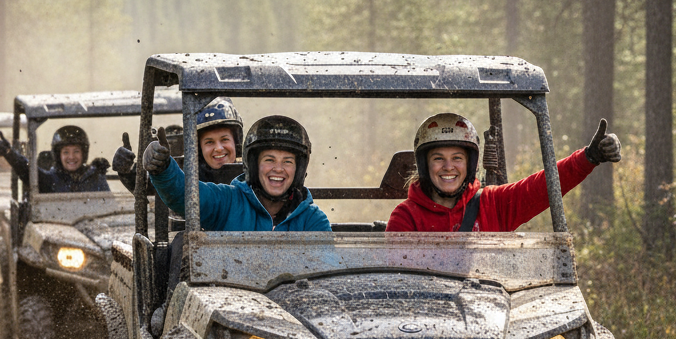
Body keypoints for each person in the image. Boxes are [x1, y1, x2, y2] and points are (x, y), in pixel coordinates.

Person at [386, 113, 621, 232]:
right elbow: (400, 281)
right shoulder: (406, 217)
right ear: (425, 166)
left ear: (470, 164)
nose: (449, 167)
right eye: (438, 159)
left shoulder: (493, 204)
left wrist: (588, 158)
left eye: (457, 158)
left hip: (489, 315)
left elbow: (541, 187)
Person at [142, 114, 331, 232]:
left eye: (287, 162)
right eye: (269, 160)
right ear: (253, 166)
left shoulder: (312, 220)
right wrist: (164, 168)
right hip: (225, 296)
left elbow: (326, 271)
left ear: (298, 171)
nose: (278, 169)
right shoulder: (227, 202)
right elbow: (183, 196)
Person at [112, 96, 243, 191]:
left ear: (236, 143)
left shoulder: (252, 175)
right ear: (198, 148)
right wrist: (127, 171)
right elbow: (152, 185)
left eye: (225, 139)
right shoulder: (185, 175)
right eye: (209, 142)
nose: (219, 148)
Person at [0, 124, 110, 193]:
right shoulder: (50, 180)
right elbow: (26, 170)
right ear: (58, 155)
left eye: (76, 151)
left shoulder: (94, 177)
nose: (71, 157)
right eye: (66, 152)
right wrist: (10, 153)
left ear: (84, 154)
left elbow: (110, 207)